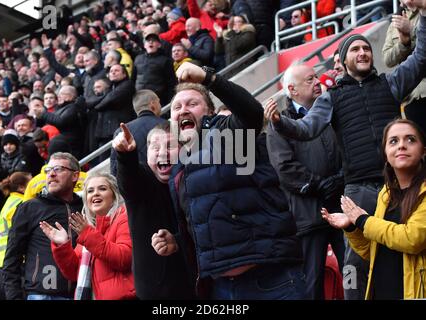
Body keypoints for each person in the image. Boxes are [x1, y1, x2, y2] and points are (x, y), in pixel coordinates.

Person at [265, 6, 426, 299]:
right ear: (343, 59)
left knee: (408, 254)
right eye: (355, 50)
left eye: (366, 48)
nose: (363, 52)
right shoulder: (331, 98)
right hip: (358, 190)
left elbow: (421, 58)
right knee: (355, 263)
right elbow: (306, 128)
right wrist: (279, 122)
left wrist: (424, 16)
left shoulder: (390, 83)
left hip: (398, 187)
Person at [151, 62, 305, 300]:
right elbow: (207, 220)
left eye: (193, 103)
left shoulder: (227, 134)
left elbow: (252, 113)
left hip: (272, 278)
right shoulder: (178, 168)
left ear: (211, 112)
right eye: (177, 106)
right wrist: (178, 241)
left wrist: (210, 79)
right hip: (221, 287)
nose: (183, 110)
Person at [266, 62, 345, 300]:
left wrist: (340, 180)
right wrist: (319, 184)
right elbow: (285, 168)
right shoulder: (278, 123)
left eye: (317, 77)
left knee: (355, 275)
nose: (318, 82)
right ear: (292, 89)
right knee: (312, 284)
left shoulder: (334, 113)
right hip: (309, 216)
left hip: (344, 209)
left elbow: (349, 150)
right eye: (309, 80)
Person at [322, 119, 426, 299]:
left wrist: (363, 220)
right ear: (385, 154)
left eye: (410, 139)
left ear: (423, 150)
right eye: (393, 141)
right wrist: (352, 227)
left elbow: (412, 239)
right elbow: (373, 253)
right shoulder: (385, 195)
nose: (401, 145)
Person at [113, 122, 197, 299]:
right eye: (155, 147)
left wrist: (178, 242)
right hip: (157, 292)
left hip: (199, 286)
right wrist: (126, 156)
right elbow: (128, 181)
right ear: (147, 154)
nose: (162, 152)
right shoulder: (143, 179)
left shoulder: (195, 179)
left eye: (170, 146)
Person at [40, 172, 135, 300]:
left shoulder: (123, 217)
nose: (95, 193)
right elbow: (74, 273)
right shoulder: (89, 230)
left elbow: (123, 258)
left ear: (114, 194)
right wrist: (63, 246)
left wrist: (88, 234)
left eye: (102, 188)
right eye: (90, 191)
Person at [2, 152, 83, 300]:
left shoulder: (86, 207)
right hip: (40, 294)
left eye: (58, 169)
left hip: (82, 293)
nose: (51, 174)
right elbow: (12, 258)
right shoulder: (29, 208)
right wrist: (14, 296)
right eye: (48, 170)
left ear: (75, 176)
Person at [382, 0, 426, 132]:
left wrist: (411, 30)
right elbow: (387, 59)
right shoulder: (395, 22)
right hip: (412, 96)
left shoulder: (423, 13)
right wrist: (403, 43)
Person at [0, 171, 32, 269]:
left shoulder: (11, 201)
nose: (34, 186)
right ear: (21, 187)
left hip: (5, 260)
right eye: (31, 183)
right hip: (16, 261)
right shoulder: (21, 203)